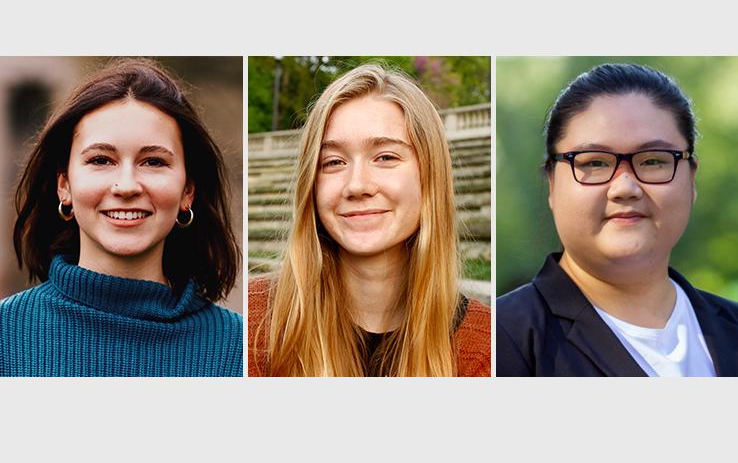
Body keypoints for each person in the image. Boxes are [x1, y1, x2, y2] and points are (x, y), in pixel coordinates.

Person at [1, 58, 243, 377]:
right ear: (64, 185)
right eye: (101, 160)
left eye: (153, 162)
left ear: (188, 191)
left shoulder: (238, 348)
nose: (126, 186)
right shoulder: (7, 336)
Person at [248, 64, 490, 377]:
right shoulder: (252, 325)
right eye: (333, 162)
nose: (357, 185)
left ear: (429, 177)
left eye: (386, 157)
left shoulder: (489, 347)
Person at [497, 63, 738, 377]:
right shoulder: (505, 339)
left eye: (653, 161)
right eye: (595, 162)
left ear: (691, 179)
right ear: (552, 184)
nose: (625, 187)